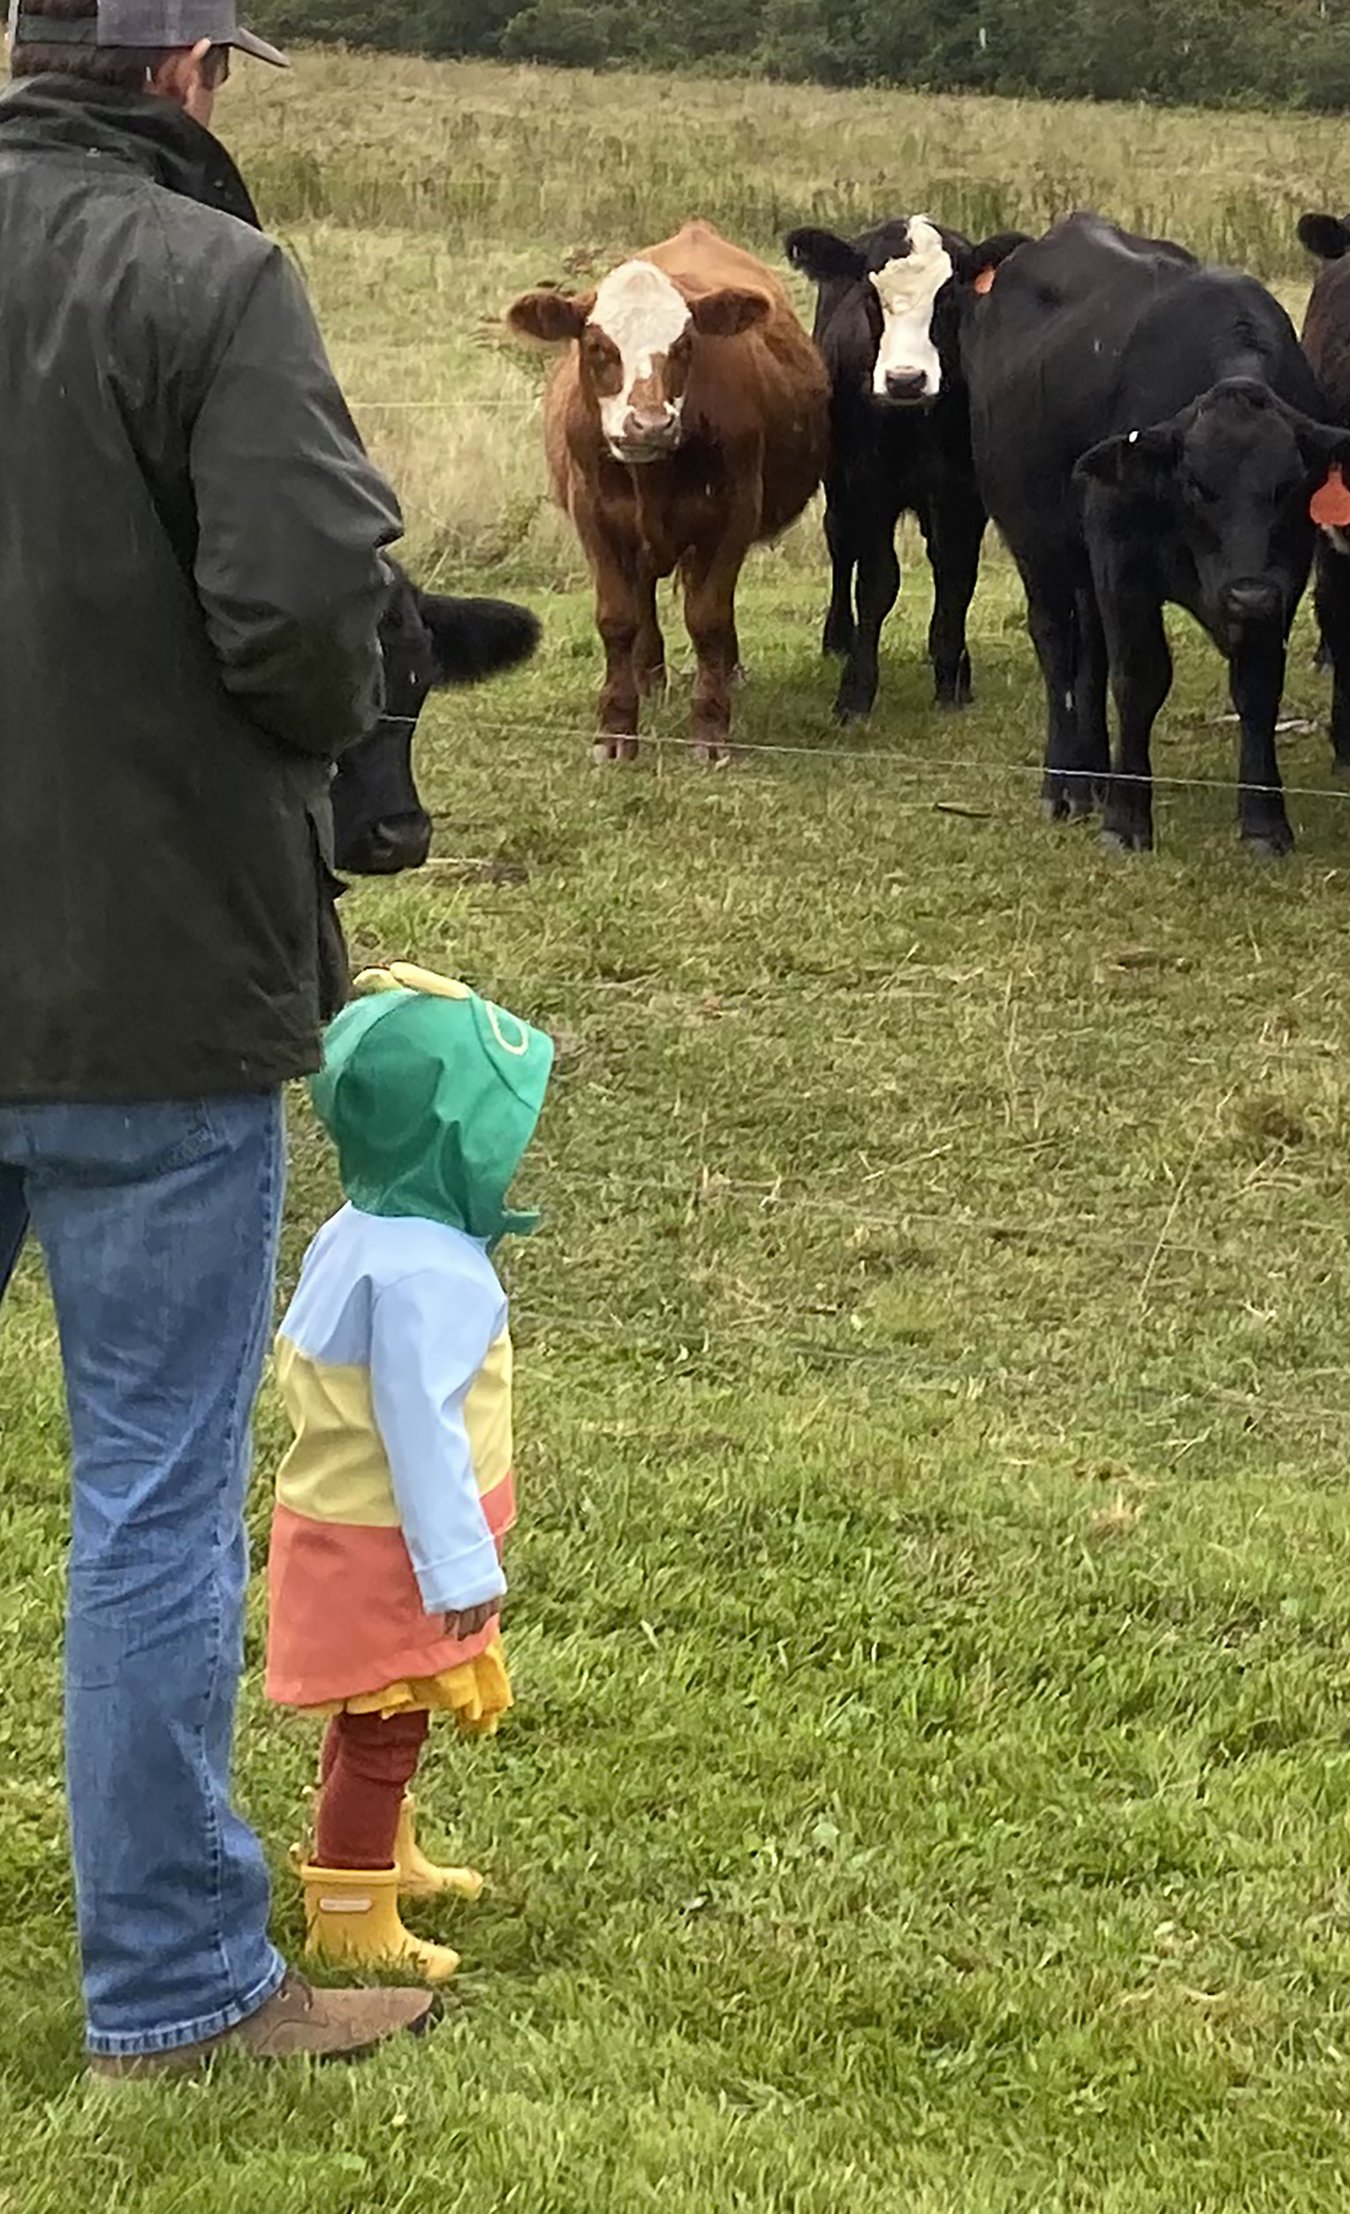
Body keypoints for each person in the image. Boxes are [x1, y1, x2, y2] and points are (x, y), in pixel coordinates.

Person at [0, 0, 424, 2073]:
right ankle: (170, 1992)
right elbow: (311, 612)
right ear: (187, 75)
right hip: (149, 989)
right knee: (150, 1495)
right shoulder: (213, 277)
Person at [267, 966, 550, 1985]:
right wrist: (459, 1566)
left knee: (371, 1711)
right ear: (449, 1136)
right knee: (385, 1720)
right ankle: (350, 1903)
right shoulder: (430, 1270)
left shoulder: (359, 1230)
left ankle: (377, 1854)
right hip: (394, 1542)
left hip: (345, 1522)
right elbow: (420, 1432)